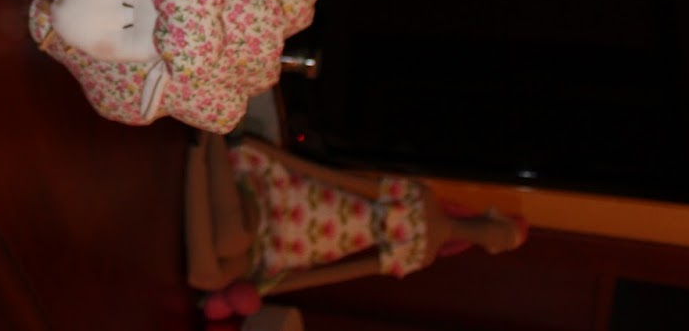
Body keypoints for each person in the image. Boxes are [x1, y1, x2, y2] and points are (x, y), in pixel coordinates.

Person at [184, 130, 527, 312]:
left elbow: (350, 270)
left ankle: (202, 153)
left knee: (212, 275)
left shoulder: (421, 256)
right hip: (290, 201)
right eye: (501, 232)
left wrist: (270, 286)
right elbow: (348, 183)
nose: (492, 238)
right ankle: (199, 153)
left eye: (499, 243)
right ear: (492, 215)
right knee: (232, 240)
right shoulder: (421, 199)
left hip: (302, 248)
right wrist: (276, 158)